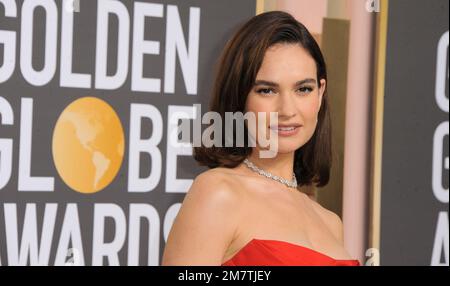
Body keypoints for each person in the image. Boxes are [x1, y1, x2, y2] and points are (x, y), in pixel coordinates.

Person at [162, 11, 359, 266]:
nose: (287, 110)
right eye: (267, 90)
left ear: (320, 93)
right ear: (240, 97)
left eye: (303, 89)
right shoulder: (218, 193)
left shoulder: (331, 223)